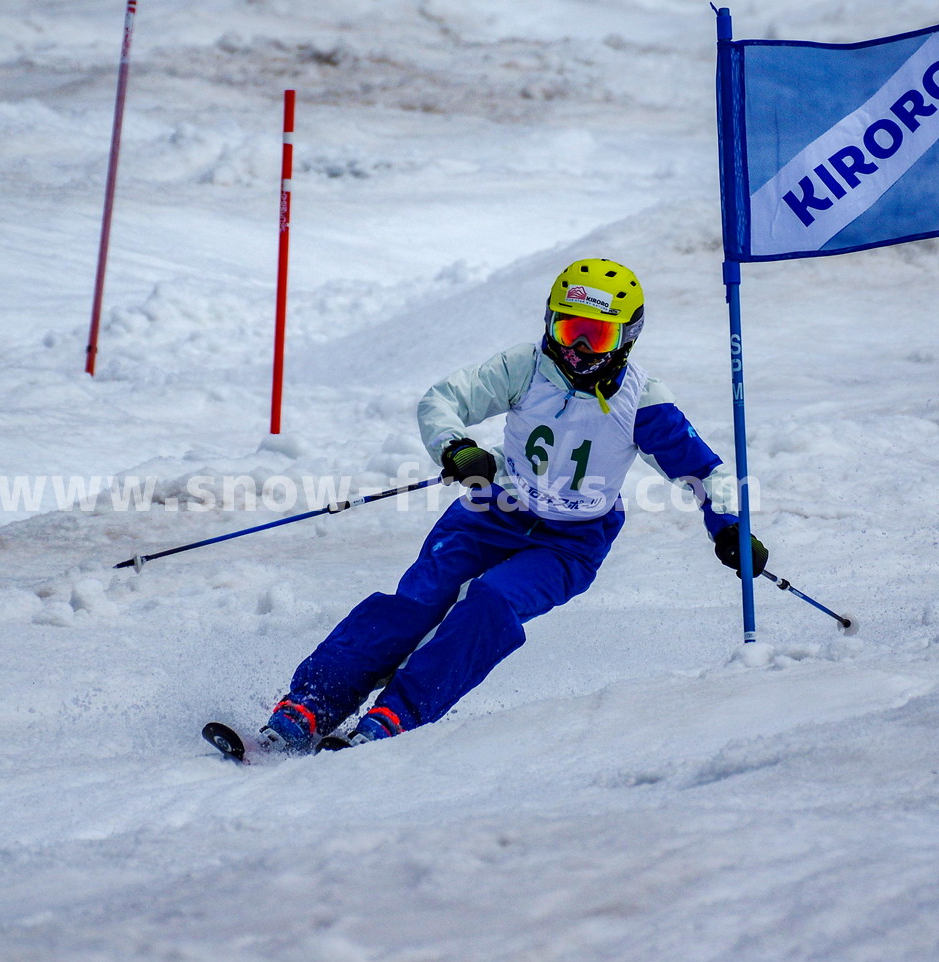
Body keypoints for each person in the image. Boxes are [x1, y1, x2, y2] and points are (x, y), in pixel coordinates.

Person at [261, 258, 768, 751]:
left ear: (627, 338)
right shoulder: (525, 367)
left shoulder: (644, 400)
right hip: (492, 509)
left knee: (492, 603)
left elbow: (704, 472)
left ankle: (395, 717)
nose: (579, 351)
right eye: (570, 331)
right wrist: (456, 446)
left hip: (570, 543)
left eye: (599, 336)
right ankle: (310, 705)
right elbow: (443, 400)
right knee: (419, 600)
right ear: (550, 322)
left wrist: (728, 527)